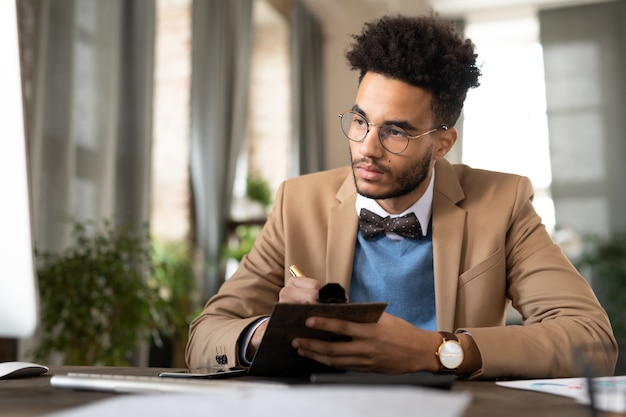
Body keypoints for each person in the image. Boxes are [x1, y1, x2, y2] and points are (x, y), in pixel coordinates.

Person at [186, 14, 617, 379]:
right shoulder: (298, 203)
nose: (367, 147)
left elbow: (592, 340)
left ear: (444, 144)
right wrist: (270, 330)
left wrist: (437, 351)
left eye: (395, 131)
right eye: (360, 121)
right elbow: (205, 337)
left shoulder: (502, 204)